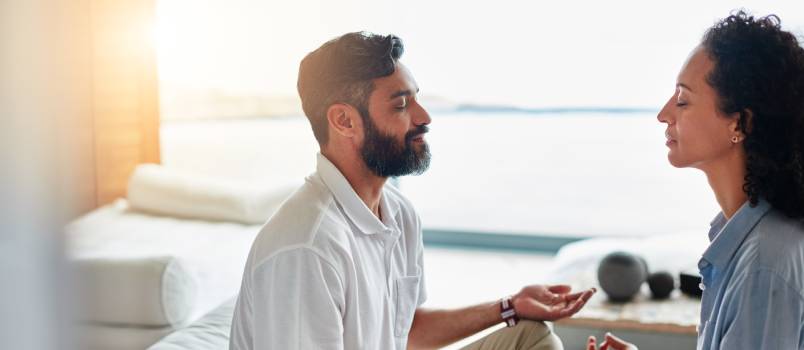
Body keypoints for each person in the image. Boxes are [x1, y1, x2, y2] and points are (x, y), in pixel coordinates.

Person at [229, 31, 596, 350]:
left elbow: (406, 333)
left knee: (530, 337)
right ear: (344, 121)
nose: (424, 117)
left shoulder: (397, 212)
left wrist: (511, 306)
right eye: (401, 104)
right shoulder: (306, 249)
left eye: (416, 98)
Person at [655, 11, 804, 349]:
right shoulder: (747, 233)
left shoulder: (764, 266)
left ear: (739, 125)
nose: (664, 114)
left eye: (683, 100)